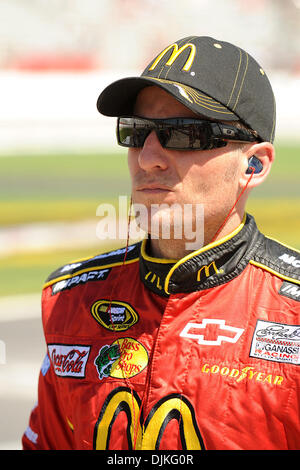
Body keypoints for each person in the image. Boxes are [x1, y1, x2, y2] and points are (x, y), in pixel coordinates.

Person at [22, 36, 300, 451]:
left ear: (254, 164)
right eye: (136, 132)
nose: (148, 156)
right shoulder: (70, 301)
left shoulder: (291, 313)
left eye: (185, 135)